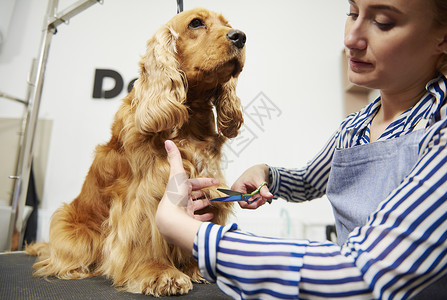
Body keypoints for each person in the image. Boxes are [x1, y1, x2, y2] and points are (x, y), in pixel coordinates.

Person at [156, 0, 447, 298]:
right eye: (352, 14)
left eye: (383, 21)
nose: (350, 39)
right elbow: (309, 181)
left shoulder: (441, 130)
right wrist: (267, 174)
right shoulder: (354, 127)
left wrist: (184, 230)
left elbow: (359, 275)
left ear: (443, 38)